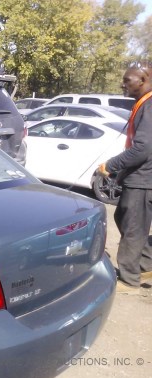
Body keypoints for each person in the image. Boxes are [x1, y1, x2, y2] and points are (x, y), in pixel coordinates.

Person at [97, 65, 152, 293]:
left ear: (144, 79)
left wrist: (111, 165)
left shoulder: (149, 106)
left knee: (132, 229)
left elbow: (142, 148)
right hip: (140, 177)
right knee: (124, 218)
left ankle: (129, 279)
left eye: (127, 80)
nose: (123, 84)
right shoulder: (144, 104)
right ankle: (144, 263)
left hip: (142, 179)